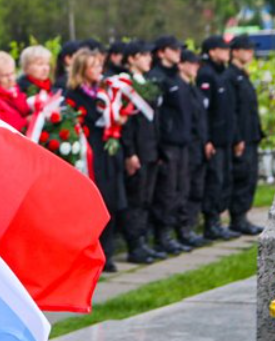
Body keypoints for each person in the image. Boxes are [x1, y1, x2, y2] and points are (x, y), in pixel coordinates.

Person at [66, 48, 126, 272]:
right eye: (93, 66)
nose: (99, 70)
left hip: (107, 153)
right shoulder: (73, 95)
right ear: (82, 69)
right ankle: (89, 256)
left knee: (110, 203)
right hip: (89, 156)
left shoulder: (105, 92)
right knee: (92, 205)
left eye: (100, 66)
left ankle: (107, 254)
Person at [117, 40, 165, 264]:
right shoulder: (125, 85)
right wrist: (130, 152)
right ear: (131, 59)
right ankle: (134, 244)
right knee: (136, 197)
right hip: (137, 149)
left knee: (146, 197)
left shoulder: (146, 82)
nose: (149, 59)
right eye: (143, 55)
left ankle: (143, 240)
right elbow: (126, 124)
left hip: (150, 147)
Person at [147, 36, 194, 255]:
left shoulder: (177, 77)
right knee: (166, 191)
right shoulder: (156, 78)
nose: (178, 53)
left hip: (182, 141)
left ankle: (179, 231)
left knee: (180, 189)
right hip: (167, 144)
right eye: (174, 49)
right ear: (162, 52)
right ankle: (162, 236)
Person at [197, 36, 241, 241]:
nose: (227, 52)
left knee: (224, 179)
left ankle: (218, 221)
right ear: (212, 51)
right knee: (214, 181)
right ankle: (211, 223)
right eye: (223, 49)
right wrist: (207, 139)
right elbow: (205, 111)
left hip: (225, 138)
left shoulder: (222, 74)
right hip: (214, 140)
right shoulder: (206, 74)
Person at [227, 35, 265, 236]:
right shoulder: (231, 76)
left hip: (252, 134)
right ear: (235, 51)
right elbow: (232, 111)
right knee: (242, 177)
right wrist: (237, 138)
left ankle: (244, 216)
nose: (250, 53)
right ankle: (237, 218)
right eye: (246, 49)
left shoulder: (243, 75)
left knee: (250, 177)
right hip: (241, 137)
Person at [176, 49, 209, 248]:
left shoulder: (193, 88)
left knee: (196, 186)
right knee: (184, 188)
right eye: (191, 63)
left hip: (198, 144)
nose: (195, 67)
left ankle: (191, 226)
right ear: (182, 65)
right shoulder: (180, 88)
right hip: (186, 144)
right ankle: (183, 228)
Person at [0, 51, 31, 132]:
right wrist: (26, 122)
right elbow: (0, 130)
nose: (11, 78)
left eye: (12, 73)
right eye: (5, 75)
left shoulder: (14, 91)